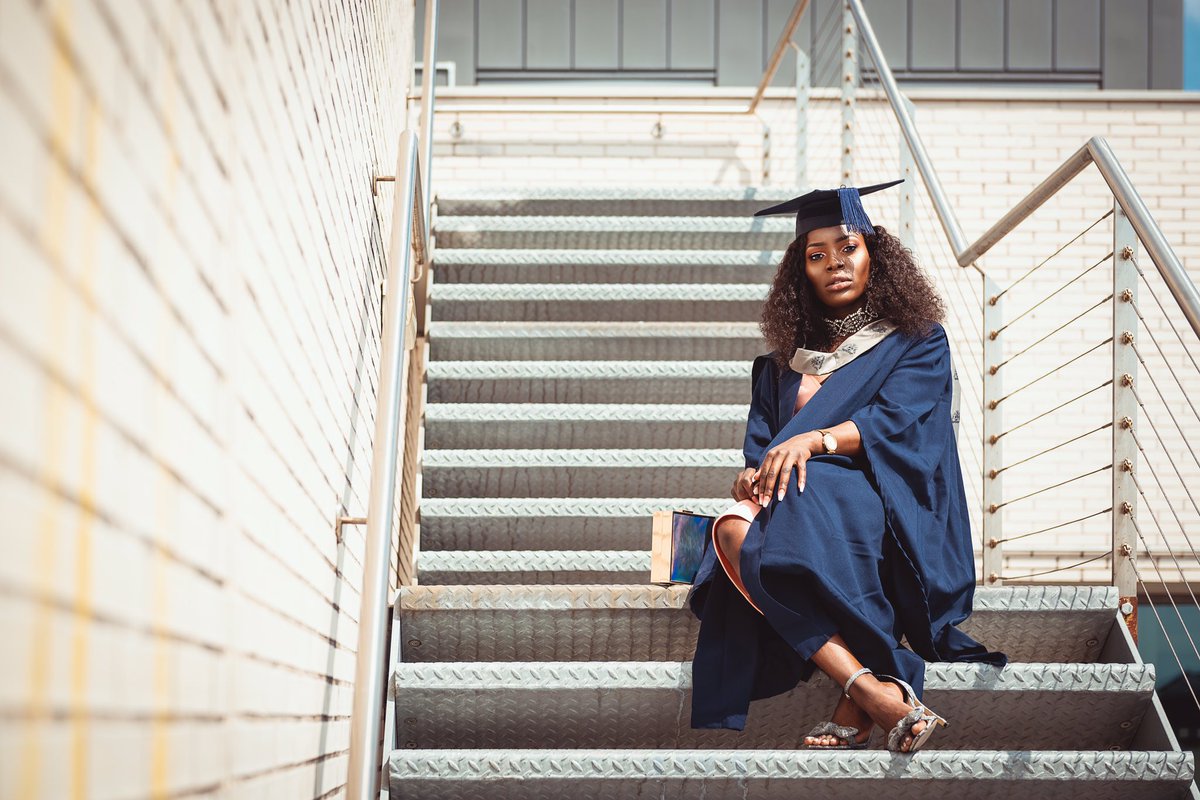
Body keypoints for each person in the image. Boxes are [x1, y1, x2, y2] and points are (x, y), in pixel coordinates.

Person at [686, 179, 1008, 753]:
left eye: (848, 248)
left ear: (874, 255)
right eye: (817, 255)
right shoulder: (779, 366)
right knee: (732, 528)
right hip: (795, 496)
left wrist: (815, 441)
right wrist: (751, 473)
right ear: (799, 272)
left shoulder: (916, 341)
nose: (834, 263)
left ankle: (863, 689)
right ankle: (874, 687)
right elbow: (762, 448)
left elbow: (897, 422)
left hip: (886, 496)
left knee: (797, 502)